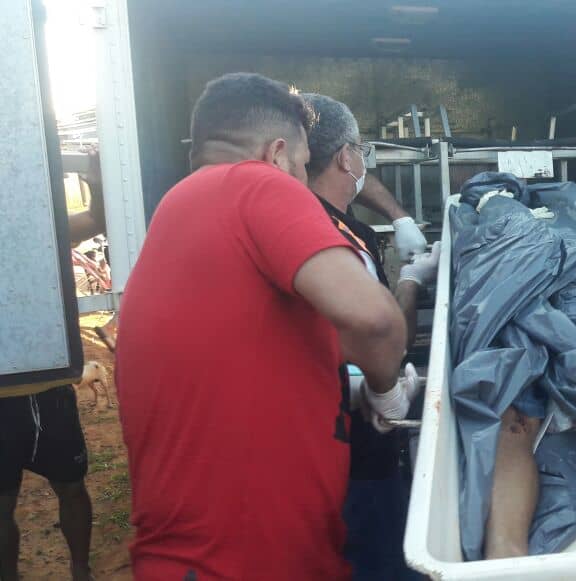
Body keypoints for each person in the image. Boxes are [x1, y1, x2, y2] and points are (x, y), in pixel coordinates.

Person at [115, 72, 412, 580]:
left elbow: (240, 356)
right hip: (247, 561)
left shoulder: (180, 208)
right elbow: (377, 321)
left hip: (198, 556)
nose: (303, 182)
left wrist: (341, 390)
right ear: (277, 154)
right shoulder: (255, 182)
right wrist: (387, 393)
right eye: (301, 166)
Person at [304, 92, 437, 580]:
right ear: (346, 157)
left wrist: (399, 217)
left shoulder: (301, 213)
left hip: (318, 435)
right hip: (357, 440)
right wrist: (411, 281)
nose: (363, 161)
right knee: (377, 552)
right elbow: (385, 339)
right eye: (360, 150)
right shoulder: (338, 244)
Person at [0, 149, 106, 581]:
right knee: (2, 505)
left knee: (72, 487)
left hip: (49, 388)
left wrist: (95, 179)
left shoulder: (37, 226)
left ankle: (81, 571)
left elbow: (95, 220)